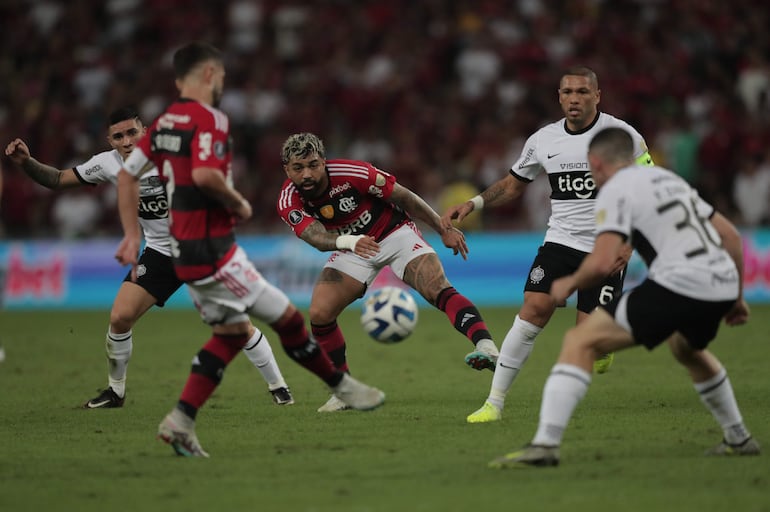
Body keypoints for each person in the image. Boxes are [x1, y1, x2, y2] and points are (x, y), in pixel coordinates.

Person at [115, 41, 384, 457]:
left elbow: (127, 177)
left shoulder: (166, 123)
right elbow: (205, 175)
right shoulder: (209, 121)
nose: (222, 81)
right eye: (219, 75)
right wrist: (235, 200)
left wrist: (132, 235)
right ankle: (342, 386)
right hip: (212, 249)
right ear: (206, 77)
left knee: (231, 333)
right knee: (291, 320)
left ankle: (181, 421)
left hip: (186, 255)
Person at [488, 127, 759, 468]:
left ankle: (545, 445)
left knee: (579, 342)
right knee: (687, 348)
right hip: (719, 282)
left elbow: (602, 260)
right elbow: (732, 237)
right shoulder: (668, 180)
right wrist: (736, 299)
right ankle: (739, 436)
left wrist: (568, 283)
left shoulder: (616, 190)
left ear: (597, 163)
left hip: (680, 282)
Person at [6, 108, 295, 408]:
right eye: (118, 136)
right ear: (110, 140)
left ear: (145, 131)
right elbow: (57, 179)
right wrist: (27, 162)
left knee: (238, 325)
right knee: (120, 317)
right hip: (159, 252)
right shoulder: (107, 163)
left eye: (132, 132)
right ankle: (115, 392)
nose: (127, 141)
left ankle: (279, 388)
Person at [442, 66, 654, 424]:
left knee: (591, 338)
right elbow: (512, 184)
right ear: (559, 97)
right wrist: (474, 203)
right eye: (568, 92)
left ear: (597, 96)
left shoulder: (623, 136)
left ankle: (604, 343)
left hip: (606, 247)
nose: (574, 99)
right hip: (560, 241)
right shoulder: (543, 140)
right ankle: (494, 402)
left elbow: (649, 187)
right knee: (533, 308)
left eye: (583, 92)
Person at [277, 132, 500, 413]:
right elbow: (315, 236)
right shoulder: (288, 199)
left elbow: (405, 197)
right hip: (351, 248)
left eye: (313, 165)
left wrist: (442, 229)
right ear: (287, 170)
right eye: (298, 168)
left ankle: (486, 347)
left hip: (394, 233)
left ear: (324, 162)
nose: (307, 174)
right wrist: (350, 242)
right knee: (320, 313)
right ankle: (344, 391)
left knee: (436, 287)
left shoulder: (353, 172)